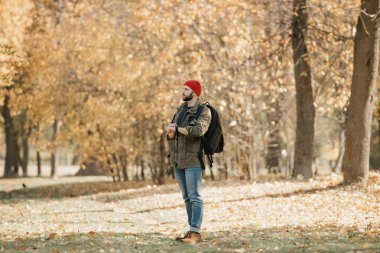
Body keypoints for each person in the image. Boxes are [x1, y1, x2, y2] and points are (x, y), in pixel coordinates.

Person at [166, 80, 211, 244]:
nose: (182, 91)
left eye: (186, 89)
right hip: (178, 160)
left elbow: (198, 130)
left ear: (195, 92)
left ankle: (196, 233)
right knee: (186, 197)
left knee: (195, 196)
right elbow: (173, 137)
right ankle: (191, 230)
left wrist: (177, 129)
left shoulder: (203, 111)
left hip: (193, 159)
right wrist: (170, 132)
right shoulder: (180, 110)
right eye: (182, 89)